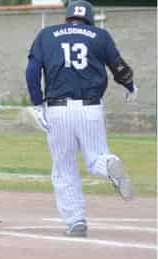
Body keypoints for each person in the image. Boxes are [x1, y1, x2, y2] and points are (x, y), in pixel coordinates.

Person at [25, 0, 136, 238]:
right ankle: (109, 164)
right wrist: (129, 85)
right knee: (95, 157)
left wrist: (37, 103)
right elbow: (119, 67)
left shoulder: (47, 34)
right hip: (90, 108)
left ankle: (76, 221)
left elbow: (32, 71)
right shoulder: (99, 35)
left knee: (64, 167)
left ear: (67, 17)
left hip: (58, 109)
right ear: (90, 18)